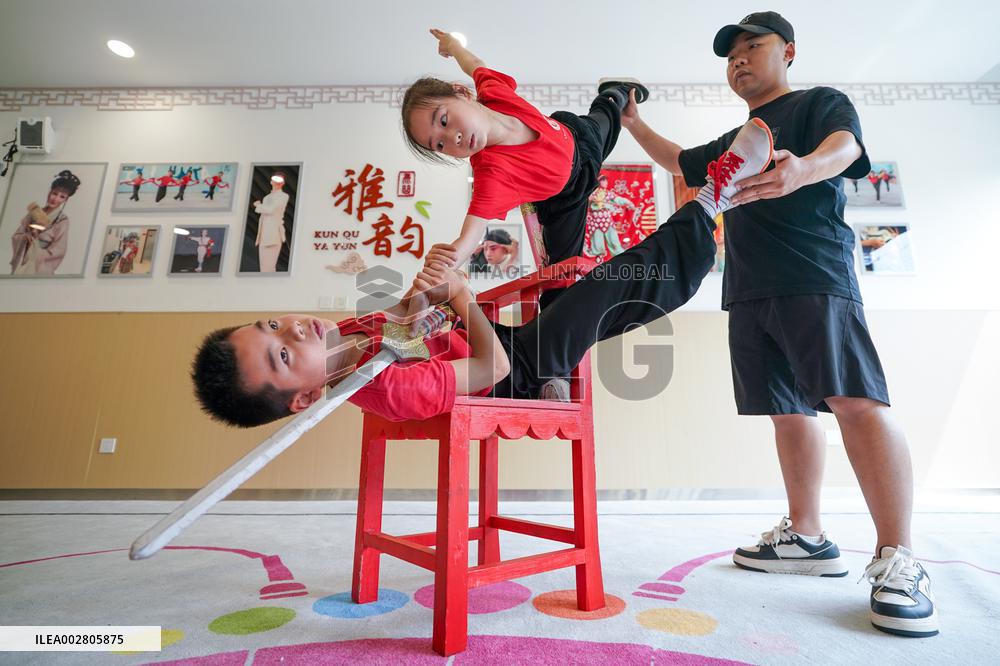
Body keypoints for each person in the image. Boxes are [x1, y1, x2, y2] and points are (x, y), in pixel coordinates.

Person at [620, 10, 936, 638]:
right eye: (730, 54)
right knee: (788, 411)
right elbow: (677, 160)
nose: (739, 60)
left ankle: (899, 556)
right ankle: (808, 538)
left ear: (787, 51)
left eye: (752, 46)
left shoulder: (820, 103)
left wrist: (803, 168)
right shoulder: (735, 140)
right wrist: (631, 122)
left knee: (855, 400)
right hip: (749, 288)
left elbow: (846, 148)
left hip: (814, 274)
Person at [191, 117, 772, 428]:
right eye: (283, 358)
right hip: (509, 369)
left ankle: (615, 154)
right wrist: (461, 296)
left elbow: (399, 322)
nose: (293, 331)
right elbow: (490, 366)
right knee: (606, 290)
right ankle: (709, 202)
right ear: (304, 399)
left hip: (497, 339)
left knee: (576, 273)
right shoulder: (386, 387)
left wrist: (422, 290)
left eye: (273, 324)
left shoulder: (349, 339)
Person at [400, 28, 648, 312]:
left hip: (577, 136)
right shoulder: (491, 173)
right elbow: (471, 234)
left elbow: (474, 65)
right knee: (562, 279)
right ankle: (554, 334)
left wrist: (454, 46)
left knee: (606, 115)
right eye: (440, 145)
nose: (453, 138)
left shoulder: (494, 92)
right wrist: (444, 264)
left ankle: (613, 90)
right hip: (565, 199)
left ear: (462, 92)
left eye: (444, 120)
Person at [9, 169, 81, 276]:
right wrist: (26, 238)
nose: (55, 199)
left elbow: (59, 249)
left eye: (62, 197)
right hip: (24, 256)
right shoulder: (34, 212)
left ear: (66, 200)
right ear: (49, 191)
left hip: (40, 262)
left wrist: (38, 253)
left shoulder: (63, 220)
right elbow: (17, 235)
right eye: (54, 193)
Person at [585, 174, 635, 258]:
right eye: (603, 180)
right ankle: (596, 260)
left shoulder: (608, 194)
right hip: (595, 222)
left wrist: (628, 202)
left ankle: (620, 257)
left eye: (605, 180)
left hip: (607, 221)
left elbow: (618, 200)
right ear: (598, 182)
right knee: (597, 245)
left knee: (614, 242)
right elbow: (585, 202)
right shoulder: (592, 194)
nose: (605, 182)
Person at [254, 172, 290, 272]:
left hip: (273, 234)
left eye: (280, 180)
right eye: (275, 179)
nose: (277, 181)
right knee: (264, 268)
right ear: (271, 181)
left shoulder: (283, 196)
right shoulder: (267, 197)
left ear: (283, 183)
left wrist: (258, 205)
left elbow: (270, 210)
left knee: (268, 267)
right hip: (263, 235)